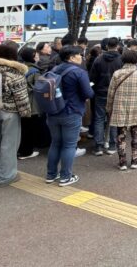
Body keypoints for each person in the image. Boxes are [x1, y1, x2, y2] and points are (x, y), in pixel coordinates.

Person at [0, 43, 30, 186]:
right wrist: (26, 113)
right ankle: (6, 176)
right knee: (9, 145)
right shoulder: (15, 72)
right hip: (10, 112)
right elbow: (21, 97)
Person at [45, 45, 93, 187]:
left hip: (53, 111)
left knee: (55, 143)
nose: (81, 57)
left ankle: (51, 174)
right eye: (79, 55)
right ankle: (66, 176)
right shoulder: (79, 72)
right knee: (69, 145)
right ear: (71, 57)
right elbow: (88, 93)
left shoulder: (54, 69)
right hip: (71, 111)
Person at [107, 49, 137, 170]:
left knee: (121, 135)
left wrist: (109, 107)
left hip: (120, 108)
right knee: (136, 134)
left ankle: (122, 162)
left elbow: (110, 93)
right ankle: (134, 160)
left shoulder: (117, 74)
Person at [89, 37, 123, 156]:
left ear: (106, 46)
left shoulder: (98, 59)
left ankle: (98, 146)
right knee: (113, 119)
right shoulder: (121, 60)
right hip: (116, 93)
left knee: (99, 119)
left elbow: (92, 78)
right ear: (117, 46)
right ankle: (112, 145)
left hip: (100, 92)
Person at [17, 46, 44, 160]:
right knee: (29, 129)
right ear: (32, 57)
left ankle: (21, 150)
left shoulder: (19, 68)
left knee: (22, 128)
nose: (37, 56)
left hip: (19, 102)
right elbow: (39, 87)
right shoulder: (34, 71)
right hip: (31, 104)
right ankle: (26, 152)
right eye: (35, 54)